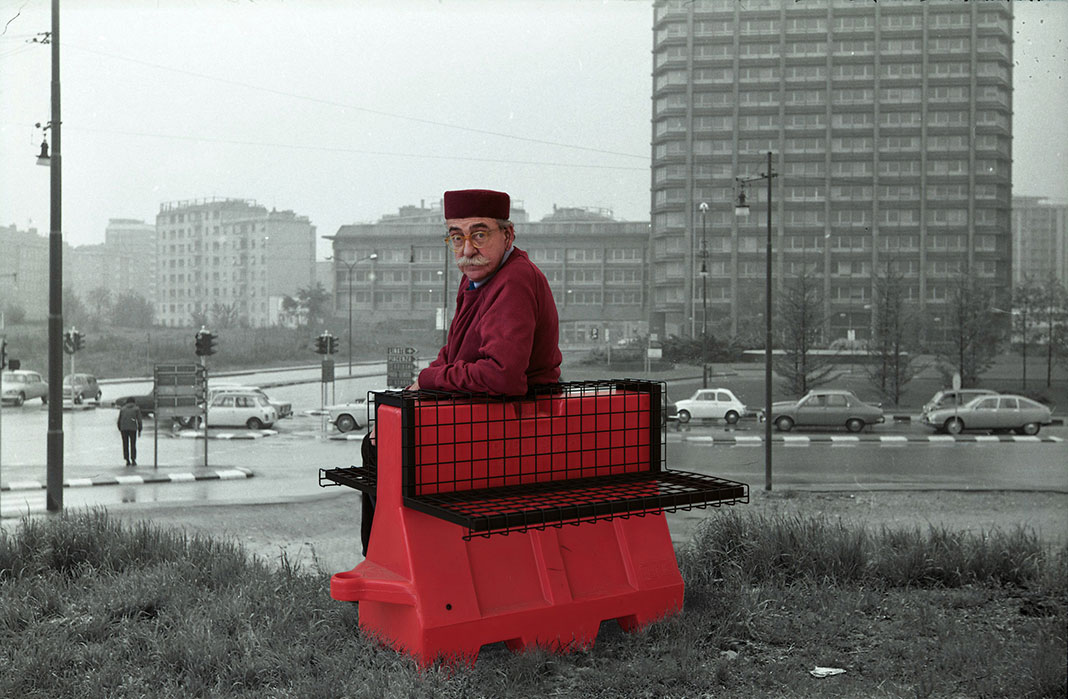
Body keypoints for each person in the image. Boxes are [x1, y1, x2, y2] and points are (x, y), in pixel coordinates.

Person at [359, 188, 562, 554]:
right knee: (383, 432)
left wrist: (429, 379)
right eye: (457, 237)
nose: (467, 249)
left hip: (516, 424)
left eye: (479, 235)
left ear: (508, 235)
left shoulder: (514, 281)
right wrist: (426, 377)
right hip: (492, 414)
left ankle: (387, 557)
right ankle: (386, 555)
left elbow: (502, 376)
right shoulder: (478, 278)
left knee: (383, 446)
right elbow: (455, 352)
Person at [117, 396, 143, 466]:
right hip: (133, 429)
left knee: (125, 444)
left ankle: (127, 460)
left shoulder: (122, 409)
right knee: (133, 444)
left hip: (124, 429)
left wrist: (120, 428)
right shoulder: (136, 409)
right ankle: (133, 459)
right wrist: (140, 429)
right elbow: (139, 420)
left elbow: (119, 420)